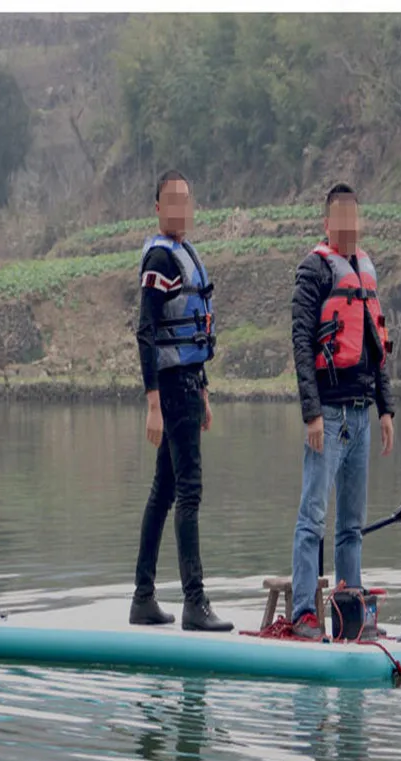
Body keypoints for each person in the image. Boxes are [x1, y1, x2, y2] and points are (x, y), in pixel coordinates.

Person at [289, 182, 396, 640]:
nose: (349, 226)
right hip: (328, 415)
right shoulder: (313, 271)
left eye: (356, 217)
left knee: (351, 524)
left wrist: (386, 408)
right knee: (313, 516)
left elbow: (376, 344)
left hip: (360, 412)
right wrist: (311, 413)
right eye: (341, 218)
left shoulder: (366, 272)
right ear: (327, 224)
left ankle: (349, 616)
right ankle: (303, 613)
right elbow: (300, 342)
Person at [130, 169, 233, 632]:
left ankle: (143, 597)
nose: (179, 209)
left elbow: (193, 334)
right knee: (187, 491)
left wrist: (205, 391)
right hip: (171, 389)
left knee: (165, 491)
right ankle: (195, 602)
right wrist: (153, 401)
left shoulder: (185, 255)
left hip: (189, 384)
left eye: (185, 201)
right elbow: (147, 332)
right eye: (170, 201)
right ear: (157, 209)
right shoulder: (161, 259)